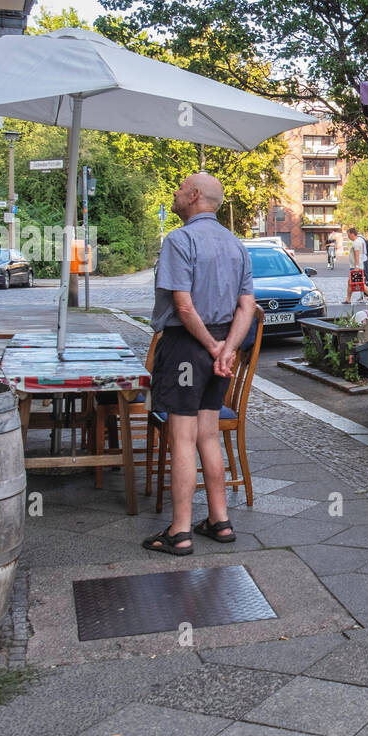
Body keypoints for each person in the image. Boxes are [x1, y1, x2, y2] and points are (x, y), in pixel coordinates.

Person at [143, 172, 259, 556]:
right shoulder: (235, 244)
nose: (174, 193)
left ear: (193, 196)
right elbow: (247, 306)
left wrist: (210, 346)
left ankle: (179, 532)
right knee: (208, 434)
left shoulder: (179, 240)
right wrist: (228, 349)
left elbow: (184, 305)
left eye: (178, 188)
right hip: (223, 347)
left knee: (182, 439)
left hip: (186, 348)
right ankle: (220, 521)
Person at [344, 226, 368, 306]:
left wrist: (356, 266)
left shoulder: (356, 243)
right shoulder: (359, 241)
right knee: (351, 282)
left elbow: (357, 255)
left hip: (356, 267)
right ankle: (348, 299)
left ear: (353, 234)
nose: (348, 237)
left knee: (360, 283)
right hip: (357, 266)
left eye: (349, 235)